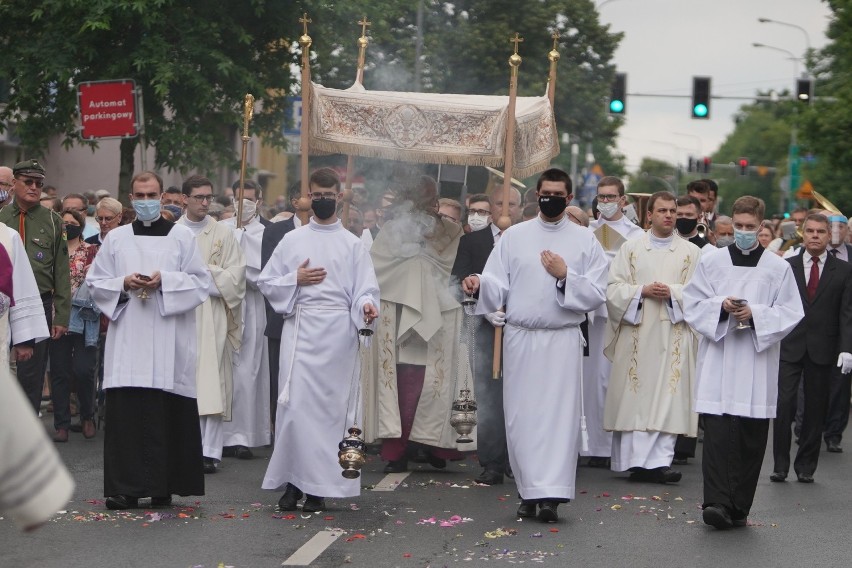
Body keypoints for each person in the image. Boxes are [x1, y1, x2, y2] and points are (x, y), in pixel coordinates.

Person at [462, 167, 609, 523]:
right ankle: (528, 490)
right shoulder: (514, 237)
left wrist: (565, 276)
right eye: (545, 193)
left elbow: (597, 292)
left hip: (561, 340)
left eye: (558, 194)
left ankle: (552, 495)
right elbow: (498, 280)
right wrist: (479, 283)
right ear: (536, 195)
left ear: (569, 198)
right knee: (521, 416)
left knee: (557, 418)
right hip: (521, 337)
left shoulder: (585, 240)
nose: (551, 199)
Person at [85, 171, 211, 510]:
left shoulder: (182, 237)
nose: (145, 201)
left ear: (163, 196)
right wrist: (123, 283)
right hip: (129, 338)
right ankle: (124, 488)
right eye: (139, 196)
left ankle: (163, 485)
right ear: (130, 198)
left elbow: (200, 283)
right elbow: (96, 283)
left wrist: (164, 281)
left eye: (151, 194)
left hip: (169, 336)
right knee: (128, 412)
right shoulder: (116, 239)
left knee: (164, 409)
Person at [259, 167, 379, 513]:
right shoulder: (293, 240)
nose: (323, 200)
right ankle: (294, 484)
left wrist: (367, 306)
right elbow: (268, 282)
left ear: (339, 196)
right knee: (295, 410)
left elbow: (364, 290)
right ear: (307, 197)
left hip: (338, 336)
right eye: (317, 195)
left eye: (329, 195)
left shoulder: (353, 245)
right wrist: (294, 278)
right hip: (301, 330)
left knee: (329, 415)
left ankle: (317, 489)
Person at [683, 195, 804, 529]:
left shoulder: (778, 267)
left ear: (762, 226)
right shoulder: (712, 262)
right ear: (731, 223)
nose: (744, 232)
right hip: (720, 358)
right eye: (739, 226)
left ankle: (739, 506)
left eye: (751, 227)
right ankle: (717, 502)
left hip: (755, 360)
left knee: (750, 436)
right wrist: (720, 306)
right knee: (719, 435)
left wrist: (755, 315)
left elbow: (792, 312)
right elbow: (692, 304)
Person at [366, 174, 467, 473]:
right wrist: (413, 269)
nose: (428, 204)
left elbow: (456, 267)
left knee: (437, 383)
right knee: (403, 386)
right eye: (423, 197)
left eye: (431, 198)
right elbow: (377, 268)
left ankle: (436, 445)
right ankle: (397, 450)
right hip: (399, 318)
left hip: (442, 313)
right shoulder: (393, 230)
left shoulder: (450, 230)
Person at [603, 191, 701, 483]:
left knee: (668, 395)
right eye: (663, 211)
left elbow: (699, 294)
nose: (670, 216)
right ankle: (633, 461)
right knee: (636, 393)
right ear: (649, 215)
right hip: (637, 330)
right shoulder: (630, 249)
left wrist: (672, 293)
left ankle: (660, 462)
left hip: (674, 332)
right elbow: (612, 289)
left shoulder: (691, 253)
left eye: (674, 211)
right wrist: (641, 291)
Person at [771, 213, 852, 483]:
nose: (815, 236)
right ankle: (780, 465)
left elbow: (846, 313)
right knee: (784, 405)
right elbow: (777, 306)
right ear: (802, 234)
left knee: (816, 408)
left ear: (829, 236)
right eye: (810, 231)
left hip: (823, 347)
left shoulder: (843, 270)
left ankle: (806, 466)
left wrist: (846, 348)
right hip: (789, 345)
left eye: (820, 232)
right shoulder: (786, 266)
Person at [176, 175, 246, 474]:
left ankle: (210, 451)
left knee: (212, 380)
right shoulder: (172, 232)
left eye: (208, 197)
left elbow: (236, 277)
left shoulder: (223, 233)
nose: (205, 203)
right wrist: (201, 276)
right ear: (184, 199)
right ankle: (182, 446)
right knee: (182, 379)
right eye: (198, 197)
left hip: (213, 312)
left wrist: (202, 274)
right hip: (180, 313)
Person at [0, 160, 70, 413]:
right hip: (3, 304)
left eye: (38, 183)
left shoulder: (52, 220)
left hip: (38, 302)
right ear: (14, 184)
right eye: (28, 182)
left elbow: (61, 270)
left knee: (31, 374)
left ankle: (29, 428)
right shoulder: (1, 218)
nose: (34, 187)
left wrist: (61, 315)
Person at [584, 176, 644, 468]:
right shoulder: (587, 231)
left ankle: (614, 447)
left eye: (611, 197)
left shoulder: (635, 236)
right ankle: (591, 445)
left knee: (615, 381)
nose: (605, 202)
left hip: (622, 315)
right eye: (601, 197)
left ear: (623, 200)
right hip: (592, 316)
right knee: (591, 381)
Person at [451, 193, 508, 486]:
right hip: (484, 327)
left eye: (512, 204)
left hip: (521, 327)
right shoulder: (472, 241)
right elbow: (459, 278)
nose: (505, 208)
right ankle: (492, 461)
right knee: (488, 396)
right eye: (501, 203)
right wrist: (481, 302)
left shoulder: (524, 238)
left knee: (519, 396)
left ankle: (517, 458)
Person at [220, 196, 271, 460]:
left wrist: (244, 266)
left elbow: (267, 273)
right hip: (227, 304)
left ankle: (245, 435)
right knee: (224, 368)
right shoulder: (222, 227)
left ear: (259, 201)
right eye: (238, 198)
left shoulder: (266, 232)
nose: (243, 203)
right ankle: (220, 435)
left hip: (251, 304)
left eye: (249, 198)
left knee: (248, 370)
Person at [49, 209, 100, 442]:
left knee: (84, 370)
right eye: (64, 223)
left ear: (81, 226)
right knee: (59, 371)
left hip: (84, 316)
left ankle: (88, 415)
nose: (68, 226)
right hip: (57, 316)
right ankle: (62, 424)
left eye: (72, 222)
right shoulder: (53, 250)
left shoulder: (92, 251)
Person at [261, 180, 301, 427]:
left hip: (322, 322)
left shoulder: (342, 234)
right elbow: (268, 277)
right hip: (283, 317)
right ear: (296, 201)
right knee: (281, 379)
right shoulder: (276, 231)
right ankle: (280, 430)